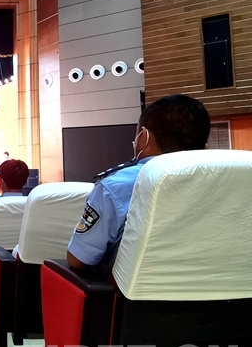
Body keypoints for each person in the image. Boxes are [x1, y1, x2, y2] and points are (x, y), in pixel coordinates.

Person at [66, 94, 211, 274]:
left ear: (143, 138)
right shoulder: (223, 181)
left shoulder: (114, 186)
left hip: (139, 291)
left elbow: (78, 260)